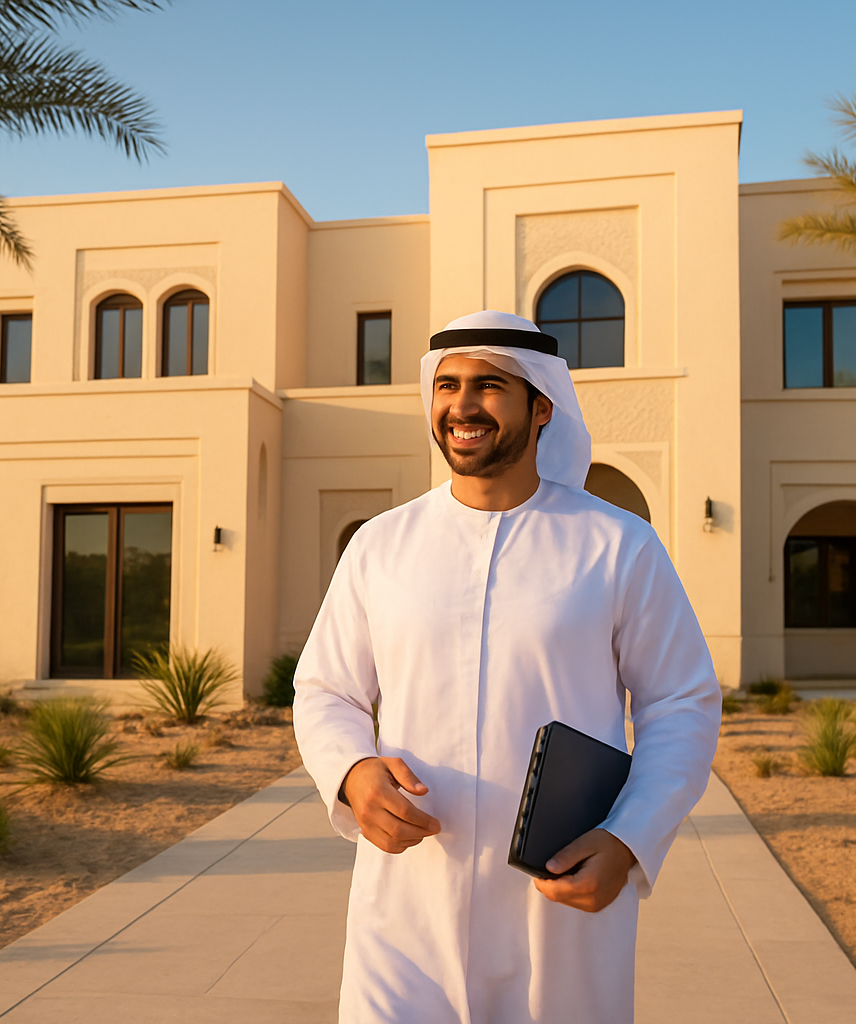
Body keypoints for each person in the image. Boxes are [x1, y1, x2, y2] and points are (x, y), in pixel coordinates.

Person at [292, 309, 722, 1023]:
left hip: (558, 898)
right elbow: (325, 689)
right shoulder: (380, 545)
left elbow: (681, 704)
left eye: (490, 385)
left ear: (541, 405)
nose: (462, 405)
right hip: (407, 903)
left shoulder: (618, 545)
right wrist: (352, 772)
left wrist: (628, 839)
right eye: (448, 385)